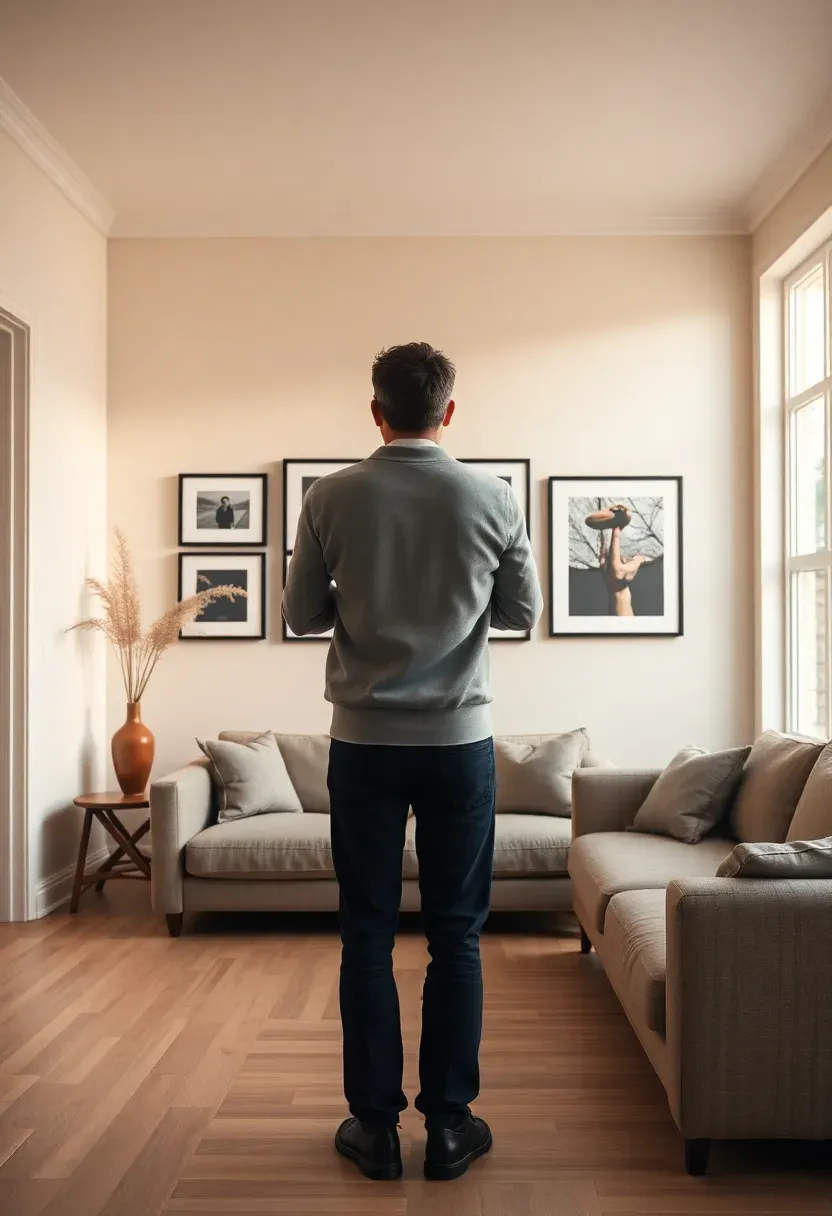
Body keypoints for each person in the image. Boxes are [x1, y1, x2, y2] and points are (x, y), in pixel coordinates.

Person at [282, 342, 543, 1183]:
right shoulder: (494, 498)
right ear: (450, 411)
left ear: (375, 410)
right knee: (457, 936)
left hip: (362, 745)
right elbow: (521, 612)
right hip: (460, 746)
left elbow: (299, 616)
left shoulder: (330, 495)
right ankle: (452, 1126)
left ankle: (374, 1129)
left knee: (365, 933)